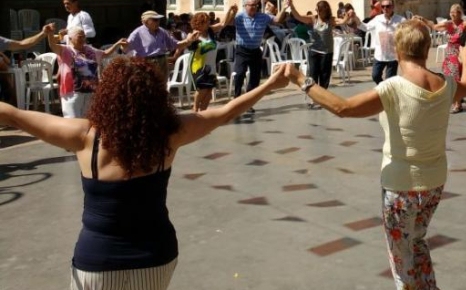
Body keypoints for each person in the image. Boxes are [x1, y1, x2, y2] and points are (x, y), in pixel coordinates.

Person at [0, 58, 289, 290]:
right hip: (156, 255)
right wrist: (271, 84)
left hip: (97, 261)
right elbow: (226, 112)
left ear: (106, 97)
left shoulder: (85, 135)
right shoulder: (170, 134)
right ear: (154, 97)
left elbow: (12, 115)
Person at [283, 20, 466, 289]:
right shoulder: (445, 84)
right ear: (427, 48)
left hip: (401, 185)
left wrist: (301, 81)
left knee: (401, 256)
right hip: (434, 181)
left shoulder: (394, 87)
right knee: (417, 240)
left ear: (398, 51)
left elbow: (343, 108)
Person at [46, 26, 127, 118]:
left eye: (84, 36)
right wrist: (50, 34)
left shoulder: (90, 49)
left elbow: (105, 54)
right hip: (71, 93)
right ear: (70, 38)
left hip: (90, 91)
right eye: (79, 36)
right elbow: (52, 45)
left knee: (87, 120)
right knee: (72, 121)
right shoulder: (64, 50)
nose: (83, 39)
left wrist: (117, 44)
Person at [227, 0, 286, 121]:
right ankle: (236, 99)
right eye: (251, 5)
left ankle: (248, 102)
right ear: (245, 6)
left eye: (255, 5)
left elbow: (277, 20)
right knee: (239, 74)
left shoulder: (263, 17)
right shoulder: (239, 17)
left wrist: (284, 8)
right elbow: (226, 23)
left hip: (255, 50)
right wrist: (231, 11)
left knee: (255, 78)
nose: (253, 7)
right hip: (242, 50)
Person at [418, 4, 466, 113]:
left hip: (459, 54)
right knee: (449, 79)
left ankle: (457, 104)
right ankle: (456, 100)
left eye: (454, 12)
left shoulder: (464, 23)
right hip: (449, 54)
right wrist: (424, 20)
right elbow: (435, 26)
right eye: (451, 12)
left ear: (459, 13)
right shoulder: (448, 24)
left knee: (456, 79)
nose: (452, 14)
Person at [286, 0, 336, 106]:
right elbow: (298, 16)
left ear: (325, 10)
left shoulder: (330, 20)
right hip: (314, 51)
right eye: (316, 10)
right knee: (313, 75)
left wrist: (348, 16)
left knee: (324, 76)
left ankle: (322, 99)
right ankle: (314, 99)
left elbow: (343, 21)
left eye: (319, 10)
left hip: (326, 52)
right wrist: (292, 6)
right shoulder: (313, 19)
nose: (317, 12)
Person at [187, 7, 237, 112]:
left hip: (211, 66)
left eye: (208, 21)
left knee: (209, 91)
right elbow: (188, 45)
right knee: (202, 89)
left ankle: (203, 113)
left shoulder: (210, 31)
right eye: (206, 22)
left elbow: (223, 23)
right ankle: (195, 109)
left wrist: (231, 12)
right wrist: (191, 41)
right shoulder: (194, 35)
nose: (208, 23)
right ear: (199, 23)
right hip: (199, 66)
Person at [126, 11, 198, 80]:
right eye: (155, 20)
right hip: (147, 63)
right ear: (146, 21)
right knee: (149, 87)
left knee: (162, 87)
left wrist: (188, 40)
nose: (158, 22)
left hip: (162, 61)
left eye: (158, 19)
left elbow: (175, 44)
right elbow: (125, 49)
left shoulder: (162, 31)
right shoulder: (137, 33)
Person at [366, 0, 405, 84]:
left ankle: (387, 93)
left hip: (393, 55)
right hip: (380, 54)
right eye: (383, 6)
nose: (385, 8)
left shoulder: (401, 20)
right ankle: (385, 89)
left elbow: (407, 32)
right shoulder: (378, 19)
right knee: (375, 76)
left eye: (388, 6)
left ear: (393, 7)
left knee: (390, 80)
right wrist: (356, 20)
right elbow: (366, 27)